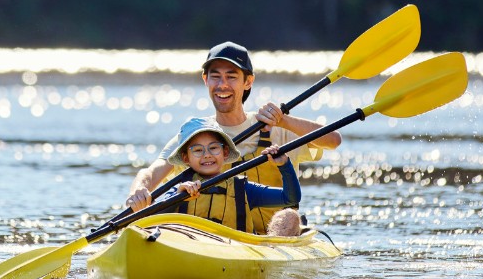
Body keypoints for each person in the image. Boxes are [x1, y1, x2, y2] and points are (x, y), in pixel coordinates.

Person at [125, 40, 342, 235]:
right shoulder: (194, 136)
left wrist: (284, 120)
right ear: (205, 80)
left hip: (272, 241)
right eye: (215, 76)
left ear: (248, 82)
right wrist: (138, 192)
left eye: (231, 76)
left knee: (290, 217)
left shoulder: (277, 128)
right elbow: (151, 172)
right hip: (214, 237)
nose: (222, 85)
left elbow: (333, 140)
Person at [156, 117, 304, 236]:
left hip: (237, 252)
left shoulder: (242, 188)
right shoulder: (180, 189)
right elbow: (151, 218)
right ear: (186, 158)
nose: (207, 154)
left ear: (225, 152)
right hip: (191, 250)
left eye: (213, 148)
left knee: (290, 216)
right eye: (197, 150)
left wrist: (284, 165)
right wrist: (176, 197)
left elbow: (290, 198)